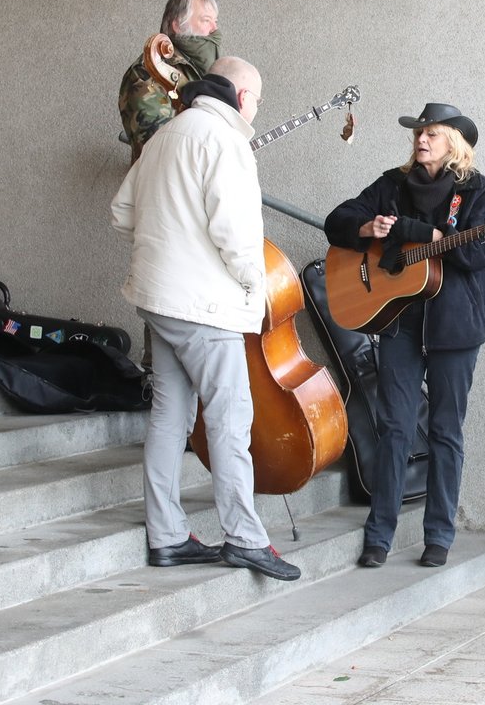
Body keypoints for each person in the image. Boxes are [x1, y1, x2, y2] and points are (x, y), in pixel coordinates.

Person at [111, 56, 301, 582]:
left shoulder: (166, 135)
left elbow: (121, 213)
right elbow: (237, 235)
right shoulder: (225, 139)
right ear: (241, 96)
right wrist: (253, 287)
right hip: (205, 307)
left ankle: (166, 535)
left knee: (170, 418)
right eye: (258, 98)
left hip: (159, 298)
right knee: (229, 419)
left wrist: (170, 248)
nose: (257, 108)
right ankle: (244, 537)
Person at [324, 103, 485, 570]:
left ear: (453, 144)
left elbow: (483, 252)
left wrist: (428, 238)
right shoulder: (391, 185)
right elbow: (337, 220)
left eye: (432, 134)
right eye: (419, 133)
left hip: (455, 328)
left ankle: (438, 535)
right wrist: (370, 226)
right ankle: (378, 535)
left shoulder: (476, 192)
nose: (421, 140)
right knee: (395, 427)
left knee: (445, 431)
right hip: (398, 321)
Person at [118, 0, 222, 164]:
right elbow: (158, 150)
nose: (214, 29)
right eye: (206, 21)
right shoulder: (145, 74)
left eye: (215, 21)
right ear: (178, 26)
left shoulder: (205, 71)